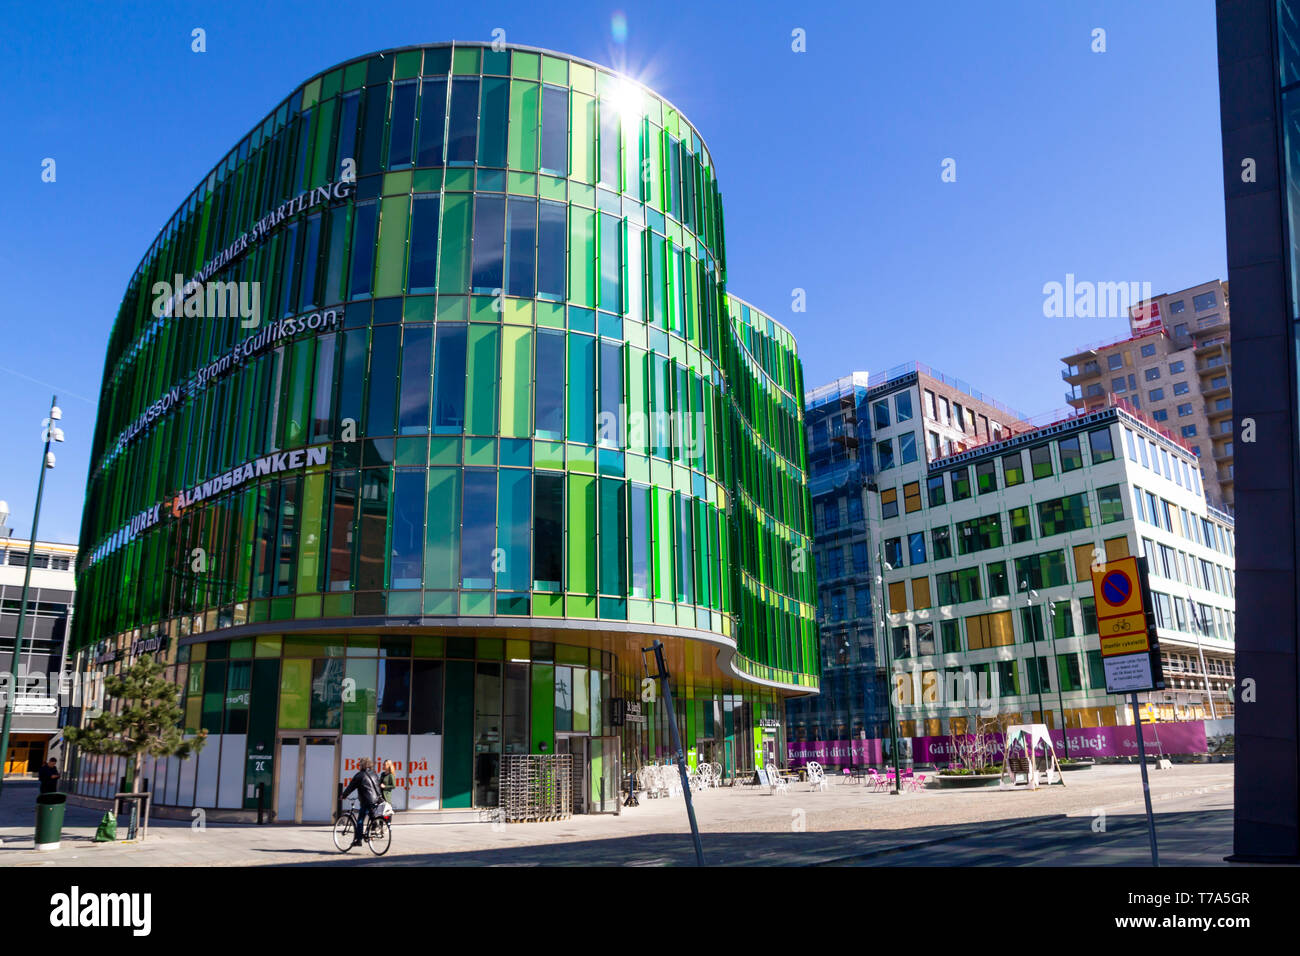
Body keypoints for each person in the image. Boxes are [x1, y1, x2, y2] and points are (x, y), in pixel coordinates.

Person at [340, 758, 383, 846]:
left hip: (367, 801)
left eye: (360, 764)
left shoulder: (360, 775)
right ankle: (374, 827)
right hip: (376, 800)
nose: (359, 766)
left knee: (360, 820)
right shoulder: (374, 774)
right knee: (371, 814)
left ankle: (358, 840)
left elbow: (351, 787)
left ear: (362, 765)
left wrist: (343, 796)